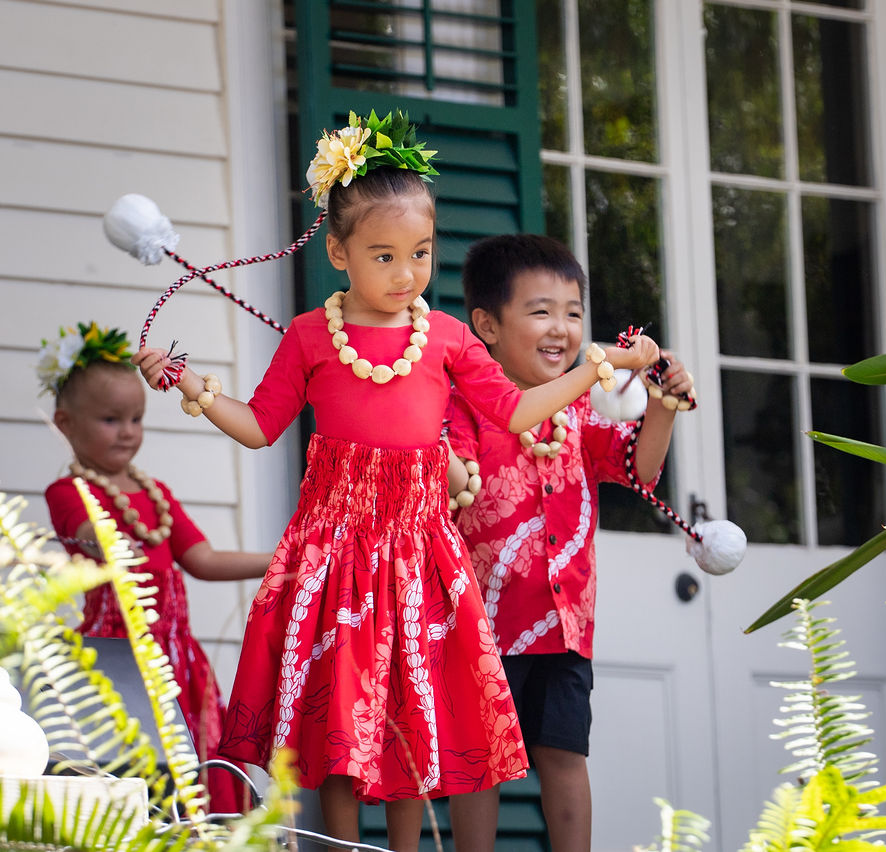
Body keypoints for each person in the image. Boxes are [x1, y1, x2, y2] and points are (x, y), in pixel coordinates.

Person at [131, 113, 661, 852]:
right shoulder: (310, 336)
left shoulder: (445, 336)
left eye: (421, 253)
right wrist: (191, 385)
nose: (407, 273)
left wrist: (596, 367)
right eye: (384, 256)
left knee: (413, 718)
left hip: (419, 553)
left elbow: (513, 411)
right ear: (339, 252)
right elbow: (258, 425)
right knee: (341, 718)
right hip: (336, 552)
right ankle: (340, 846)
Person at [441, 233, 694, 852]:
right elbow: (451, 484)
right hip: (482, 623)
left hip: (564, 622)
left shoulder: (578, 413)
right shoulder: (465, 407)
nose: (561, 328)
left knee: (564, 754)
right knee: (481, 761)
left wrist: (662, 404)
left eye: (573, 313)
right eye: (540, 311)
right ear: (487, 326)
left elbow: (638, 469)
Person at [39, 321, 271, 814]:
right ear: (65, 423)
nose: (127, 431)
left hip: (177, 661)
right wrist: (107, 539)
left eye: (136, 418)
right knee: (132, 767)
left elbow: (203, 560)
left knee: (197, 766)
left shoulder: (156, 493)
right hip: (116, 657)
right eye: (110, 419)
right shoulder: (70, 492)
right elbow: (91, 533)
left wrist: (279, 562)